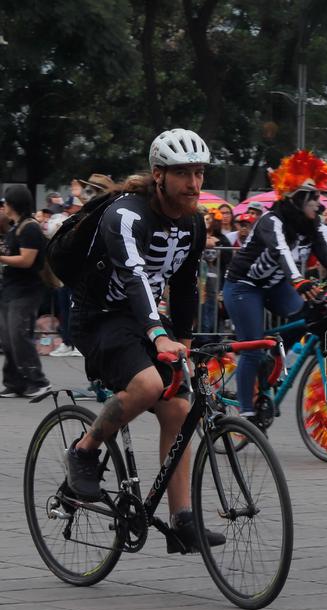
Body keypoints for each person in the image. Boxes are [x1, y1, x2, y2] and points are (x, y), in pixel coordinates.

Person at [63, 128, 225, 553]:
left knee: (179, 405)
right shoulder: (126, 214)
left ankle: (182, 519)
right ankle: (84, 450)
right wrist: (158, 335)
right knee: (149, 385)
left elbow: (188, 283)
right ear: (158, 175)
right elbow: (134, 276)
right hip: (98, 317)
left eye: (199, 173)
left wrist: (184, 341)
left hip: (143, 318)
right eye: (183, 174)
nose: (194, 184)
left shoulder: (193, 221)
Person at [223, 150, 327, 425]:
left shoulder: (313, 225)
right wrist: (299, 280)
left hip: (276, 286)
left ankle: (271, 362)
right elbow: (282, 252)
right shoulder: (272, 220)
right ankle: (246, 415)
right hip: (243, 287)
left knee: (309, 318)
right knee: (251, 348)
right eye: (314, 196)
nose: (319, 203)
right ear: (297, 198)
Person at [0, 185, 52, 397]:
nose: (3, 206)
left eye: (5, 202)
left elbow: (26, 260)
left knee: (19, 336)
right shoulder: (15, 227)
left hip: (26, 292)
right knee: (7, 338)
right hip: (10, 290)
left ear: (13, 204)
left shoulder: (30, 228)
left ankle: (38, 381)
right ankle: (14, 383)